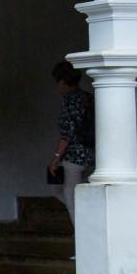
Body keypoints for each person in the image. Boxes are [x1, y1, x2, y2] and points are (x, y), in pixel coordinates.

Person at [49, 61, 94, 223]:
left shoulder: (69, 101)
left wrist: (55, 158)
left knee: (70, 196)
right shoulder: (87, 97)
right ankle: (88, 218)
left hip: (74, 157)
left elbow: (66, 134)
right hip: (92, 153)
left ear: (62, 81)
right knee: (65, 190)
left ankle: (82, 232)